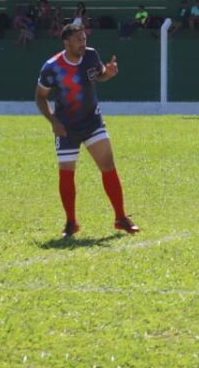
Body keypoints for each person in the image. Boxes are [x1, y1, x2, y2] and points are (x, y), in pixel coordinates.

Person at [34, 23, 139, 238]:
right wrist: (53, 120)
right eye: (78, 39)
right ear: (66, 42)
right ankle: (71, 222)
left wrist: (108, 74)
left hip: (92, 121)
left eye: (84, 38)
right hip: (66, 127)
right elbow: (40, 97)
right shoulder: (51, 67)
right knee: (66, 172)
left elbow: (97, 75)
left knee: (108, 165)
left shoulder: (91, 56)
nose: (83, 43)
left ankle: (121, 218)